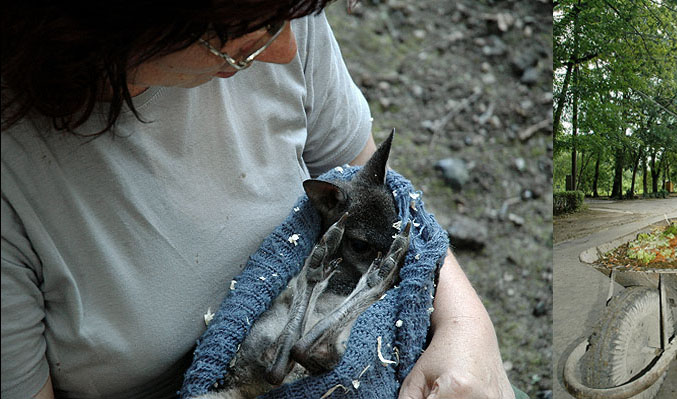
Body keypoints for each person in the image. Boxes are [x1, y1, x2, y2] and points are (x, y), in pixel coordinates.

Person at [0, 2, 517, 398]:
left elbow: (382, 196)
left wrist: (467, 327)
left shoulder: (273, 12)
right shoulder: (16, 175)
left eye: (289, 17)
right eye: (240, 45)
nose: (286, 49)